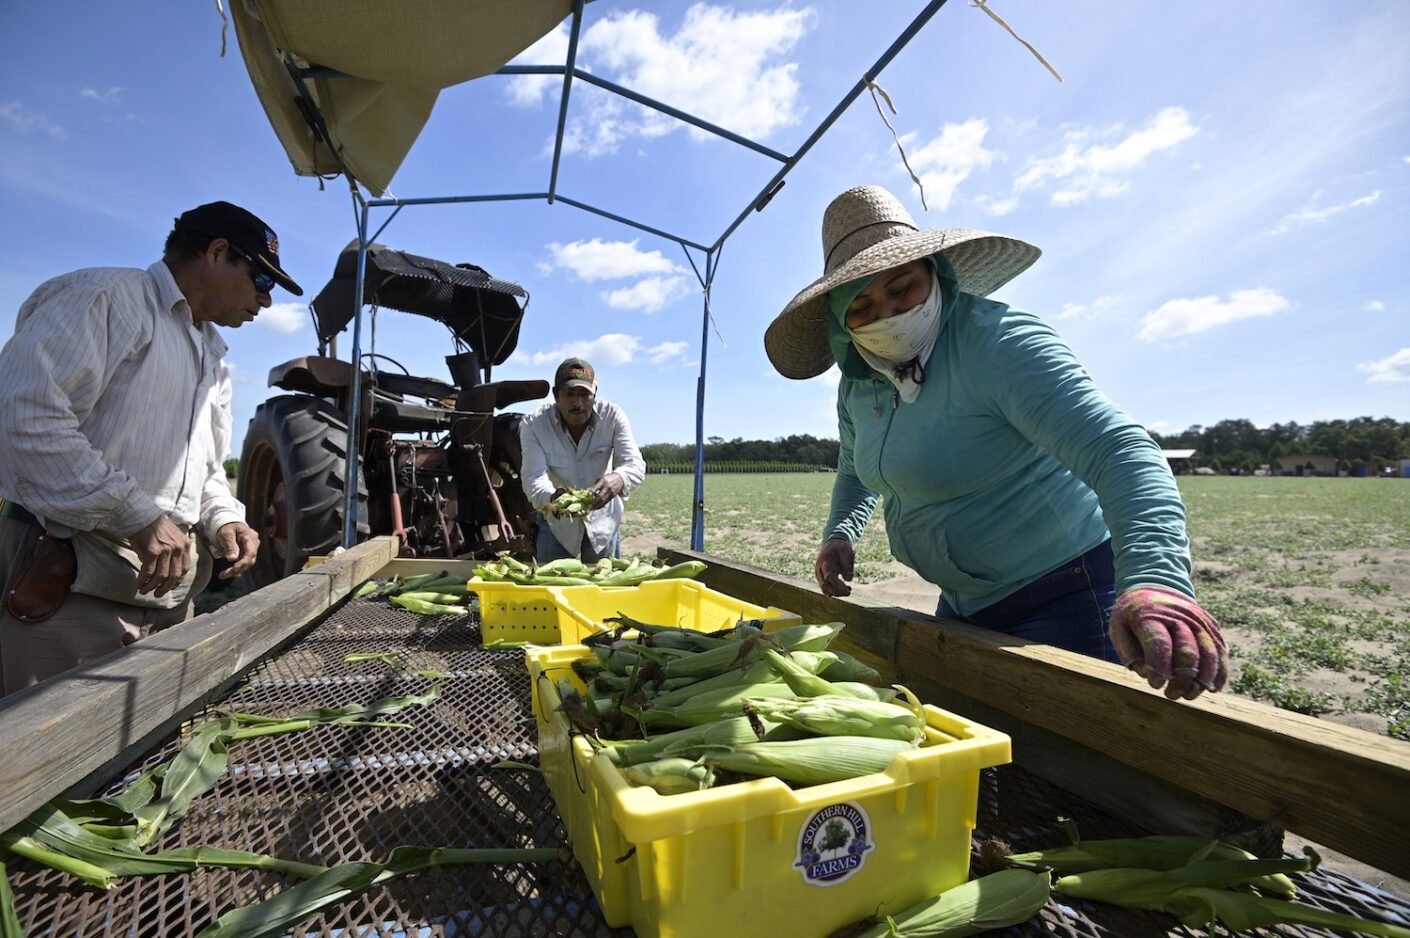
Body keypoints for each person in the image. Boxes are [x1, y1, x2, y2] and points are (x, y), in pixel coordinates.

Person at [764, 185, 1227, 701]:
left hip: (1067, 589)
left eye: (902, 288)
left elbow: (1120, 451)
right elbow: (854, 467)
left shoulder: (999, 344)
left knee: (1056, 756)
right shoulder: (859, 380)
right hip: (966, 601)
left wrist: (1156, 578)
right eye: (863, 306)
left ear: (936, 274)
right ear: (840, 322)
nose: (887, 315)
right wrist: (839, 535)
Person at [0, 200, 303, 696]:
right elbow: (26, 418)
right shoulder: (104, 298)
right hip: (71, 585)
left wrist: (223, 516)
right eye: (262, 280)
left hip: (168, 595)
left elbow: (204, 467)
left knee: (150, 755)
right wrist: (136, 517)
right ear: (218, 252)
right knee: (59, 756)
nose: (266, 301)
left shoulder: (213, 357)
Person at [519, 357, 646, 563]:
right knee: (552, 588)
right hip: (557, 525)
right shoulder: (534, 425)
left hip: (603, 522)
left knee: (603, 589)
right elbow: (533, 478)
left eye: (585, 394)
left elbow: (635, 464)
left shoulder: (613, 417)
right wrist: (553, 499)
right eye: (569, 394)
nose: (578, 403)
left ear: (595, 392)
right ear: (555, 395)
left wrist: (618, 479)